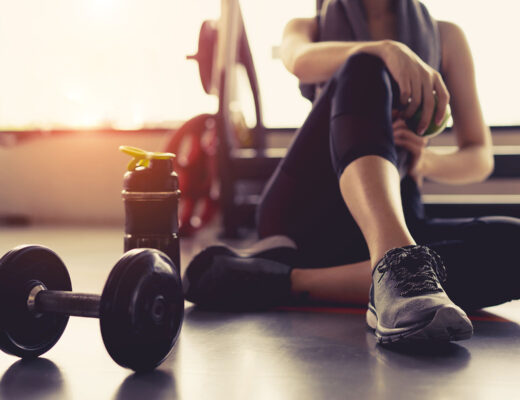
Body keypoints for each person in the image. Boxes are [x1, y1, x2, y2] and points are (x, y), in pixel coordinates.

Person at [183, 0, 520, 344]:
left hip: (398, 212)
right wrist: (386, 51)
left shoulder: (447, 36)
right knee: (364, 65)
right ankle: (396, 266)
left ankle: (289, 280)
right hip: (308, 212)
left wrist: (425, 162)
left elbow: (480, 156)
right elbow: (298, 60)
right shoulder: (306, 27)